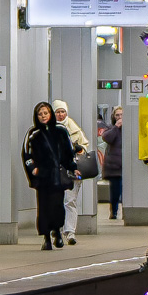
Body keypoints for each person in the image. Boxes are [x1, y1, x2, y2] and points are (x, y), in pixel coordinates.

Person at [22, 101, 77, 250]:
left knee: (58, 205)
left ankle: (57, 232)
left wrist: (73, 167)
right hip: (43, 178)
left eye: (45, 113)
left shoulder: (61, 131)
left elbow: (68, 153)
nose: (43, 116)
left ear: (50, 114)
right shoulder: (33, 134)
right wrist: (33, 169)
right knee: (44, 206)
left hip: (57, 176)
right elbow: (27, 154)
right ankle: (46, 237)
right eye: (40, 114)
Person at [51, 99, 90, 245]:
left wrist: (80, 148)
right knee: (56, 201)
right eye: (58, 112)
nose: (61, 115)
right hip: (56, 170)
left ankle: (70, 232)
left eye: (63, 112)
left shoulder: (74, 128)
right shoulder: (50, 129)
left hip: (73, 169)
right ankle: (57, 229)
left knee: (70, 201)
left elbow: (85, 145)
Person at [102, 106, 124, 221]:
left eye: (121, 115)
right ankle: (114, 211)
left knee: (125, 192)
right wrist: (116, 127)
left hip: (124, 165)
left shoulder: (129, 129)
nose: (119, 117)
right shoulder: (111, 128)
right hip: (114, 167)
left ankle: (126, 212)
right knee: (115, 191)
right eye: (117, 115)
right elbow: (107, 138)